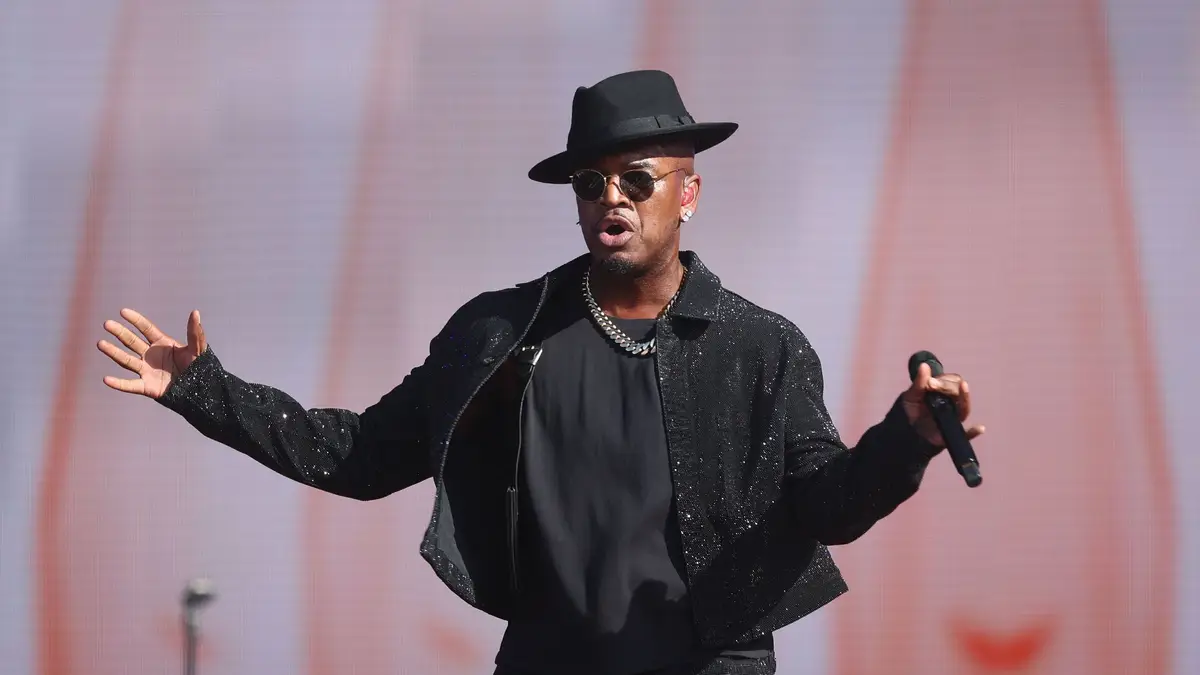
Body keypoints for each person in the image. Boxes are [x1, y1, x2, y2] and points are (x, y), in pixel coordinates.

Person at [97, 70, 984, 675]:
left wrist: (906, 438)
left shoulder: (759, 346)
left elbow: (828, 505)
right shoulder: (502, 333)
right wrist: (204, 390)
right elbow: (360, 455)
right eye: (591, 183)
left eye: (637, 179)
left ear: (688, 193)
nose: (612, 199)